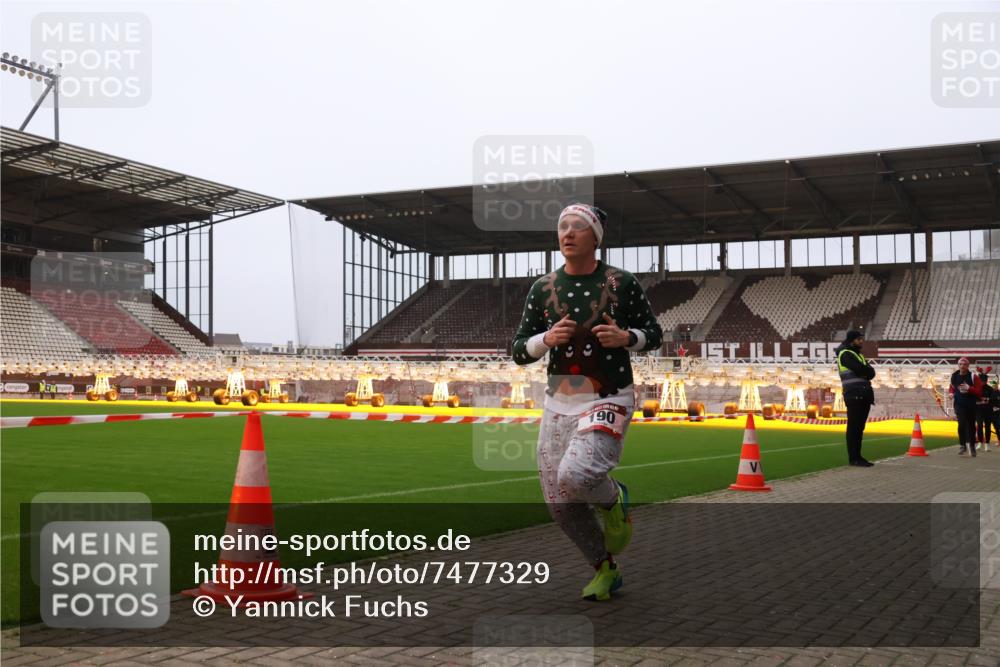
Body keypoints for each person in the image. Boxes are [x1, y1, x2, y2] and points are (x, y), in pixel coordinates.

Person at [511, 202, 663, 601]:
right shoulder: (542, 288)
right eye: (562, 226)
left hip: (609, 392)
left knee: (575, 477)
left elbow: (655, 333)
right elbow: (517, 350)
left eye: (578, 226)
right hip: (560, 399)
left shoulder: (621, 283)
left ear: (595, 237)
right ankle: (605, 568)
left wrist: (627, 338)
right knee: (559, 502)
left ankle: (614, 501)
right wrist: (545, 340)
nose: (568, 233)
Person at [834, 330, 876, 467]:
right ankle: (854, 458)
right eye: (859, 339)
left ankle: (858, 457)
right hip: (854, 394)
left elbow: (871, 373)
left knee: (859, 429)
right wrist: (865, 371)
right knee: (854, 428)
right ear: (852, 340)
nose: (861, 341)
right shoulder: (845, 354)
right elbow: (862, 370)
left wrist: (865, 371)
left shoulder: (858, 355)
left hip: (862, 394)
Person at [950, 358, 981, 457]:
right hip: (959, 405)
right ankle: (962, 445)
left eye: (964, 364)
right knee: (961, 424)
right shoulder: (954, 376)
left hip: (971, 405)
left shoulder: (973, 376)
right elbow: (952, 387)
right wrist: (951, 393)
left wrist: (970, 388)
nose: (962, 366)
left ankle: (972, 446)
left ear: (968, 366)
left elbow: (979, 392)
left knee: (971, 426)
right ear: (958, 365)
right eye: (960, 364)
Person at [976, 372, 994, 453]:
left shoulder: (990, 389)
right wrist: (980, 401)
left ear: (986, 381)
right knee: (979, 426)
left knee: (988, 427)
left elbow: (993, 399)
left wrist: (986, 400)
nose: (982, 382)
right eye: (981, 381)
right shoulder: (976, 388)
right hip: (979, 411)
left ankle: (987, 444)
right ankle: (980, 442)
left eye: (984, 381)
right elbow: (974, 399)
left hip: (988, 411)